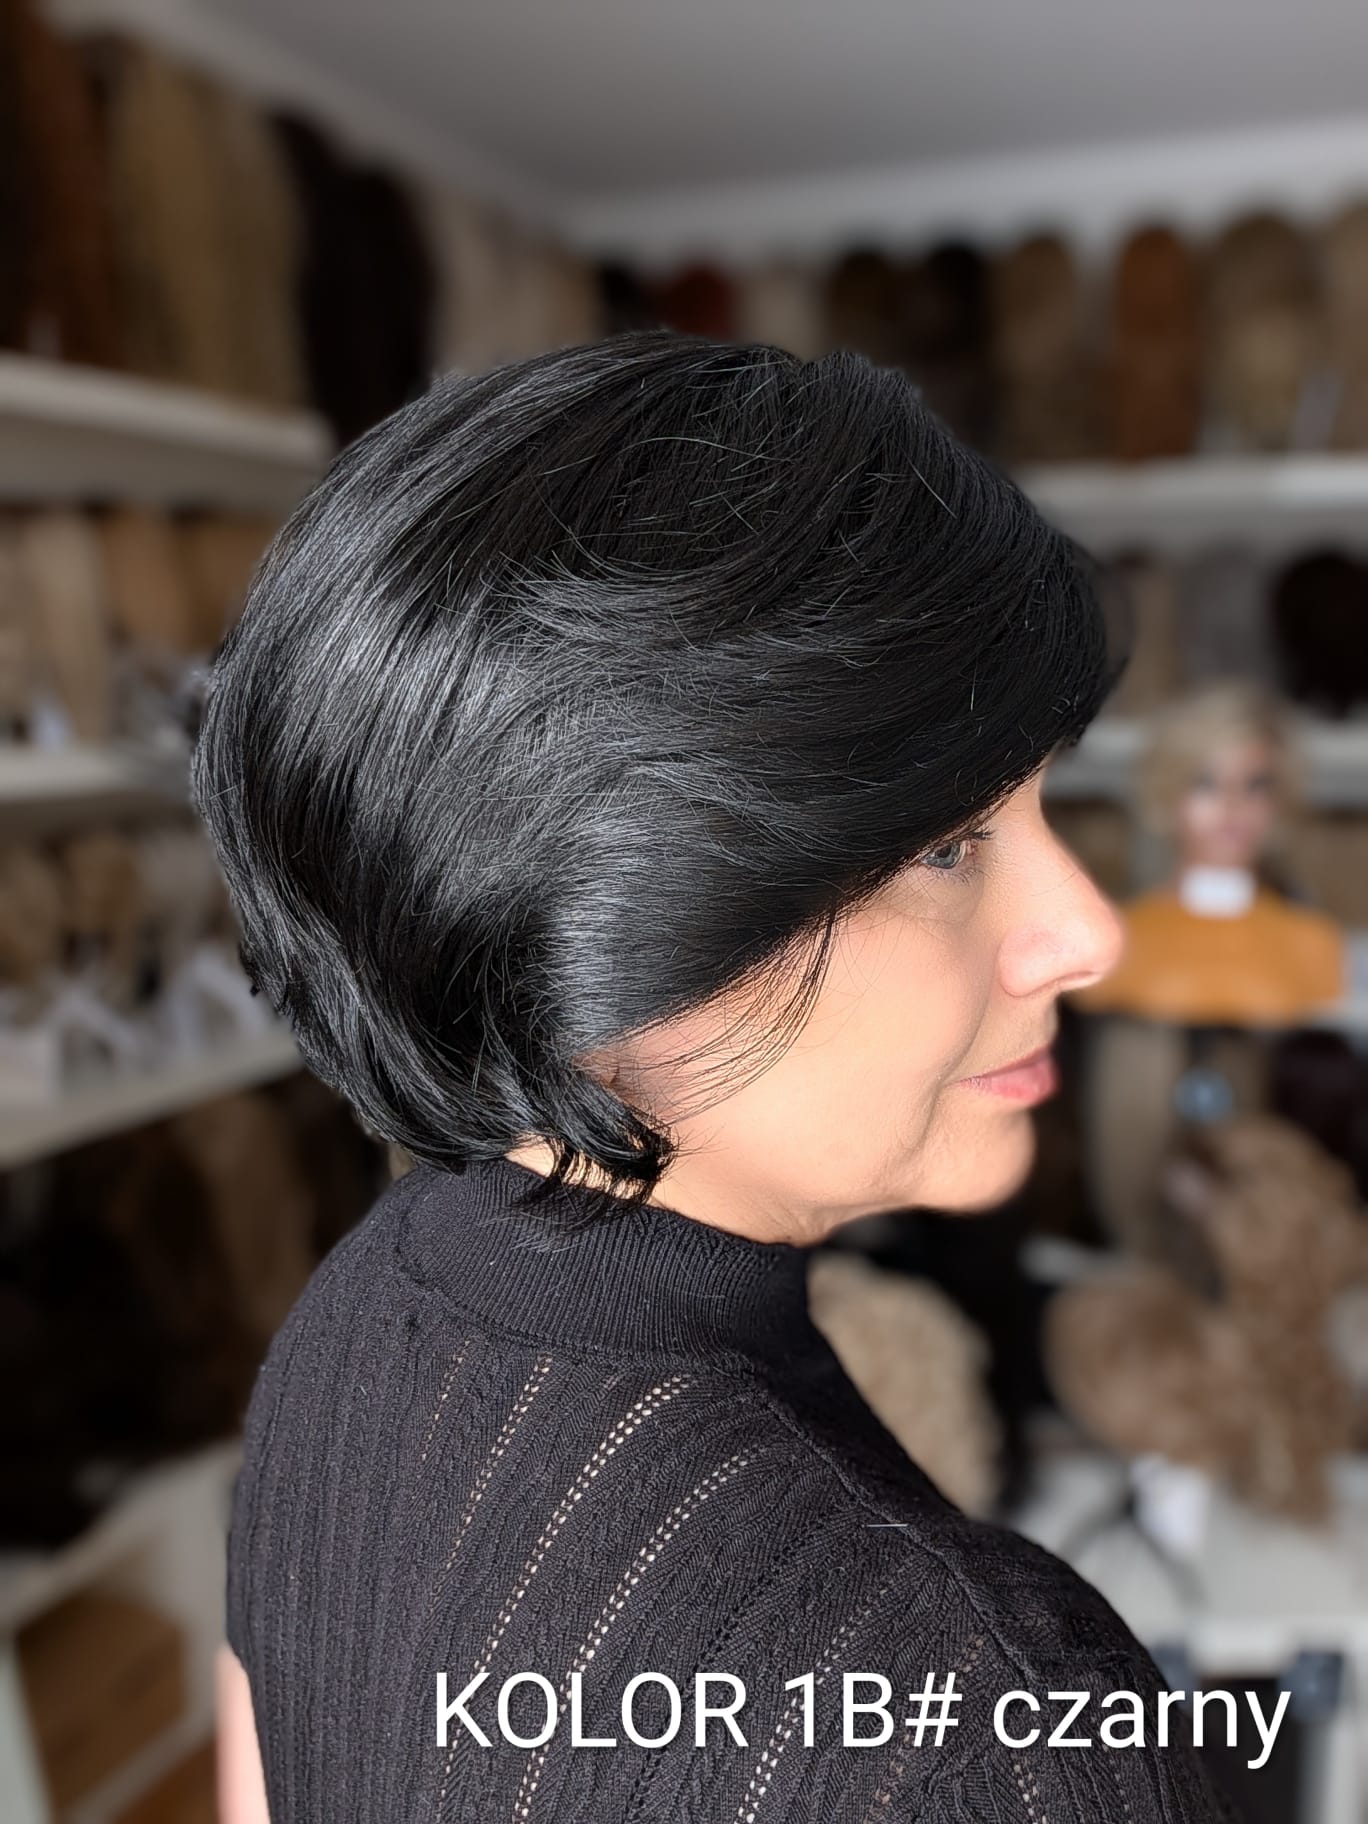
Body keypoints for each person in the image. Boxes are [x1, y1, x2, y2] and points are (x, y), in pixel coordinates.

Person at [195, 330, 1245, 1821]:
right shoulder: (979, 1737)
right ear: (607, 908)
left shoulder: (364, 1311)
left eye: (1042, 806)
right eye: (949, 847)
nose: (1088, 932)